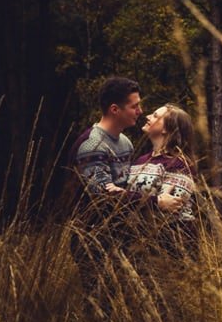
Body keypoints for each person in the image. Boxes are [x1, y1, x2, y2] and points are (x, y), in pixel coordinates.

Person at [68, 77, 184, 308]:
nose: (141, 111)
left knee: (130, 304)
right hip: (93, 238)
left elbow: (122, 192)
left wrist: (123, 195)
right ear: (114, 109)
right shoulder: (92, 146)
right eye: (134, 106)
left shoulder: (125, 144)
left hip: (122, 237)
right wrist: (156, 202)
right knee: (101, 305)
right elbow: (103, 198)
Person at [107, 103, 199, 258]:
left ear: (166, 129)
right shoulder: (141, 160)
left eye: (155, 116)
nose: (148, 117)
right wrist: (126, 196)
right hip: (142, 244)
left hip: (175, 246)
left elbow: (169, 208)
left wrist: (124, 196)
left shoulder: (180, 163)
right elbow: (155, 202)